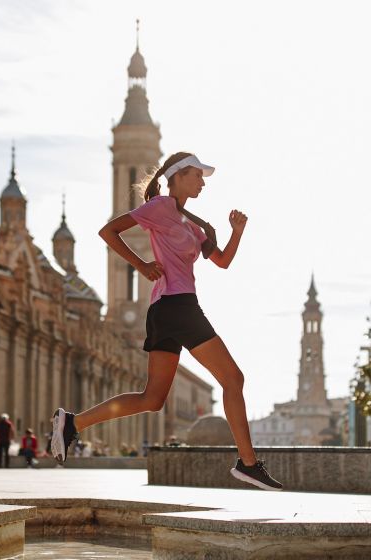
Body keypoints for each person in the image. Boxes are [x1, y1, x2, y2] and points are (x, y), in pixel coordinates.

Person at [49, 152, 283, 491]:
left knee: (152, 399)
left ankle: (71, 423)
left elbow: (222, 261)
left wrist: (237, 231)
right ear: (177, 176)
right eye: (197, 175)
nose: (203, 182)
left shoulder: (194, 223)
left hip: (167, 309)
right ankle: (249, 464)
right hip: (177, 306)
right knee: (233, 378)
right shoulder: (158, 208)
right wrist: (142, 265)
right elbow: (109, 231)